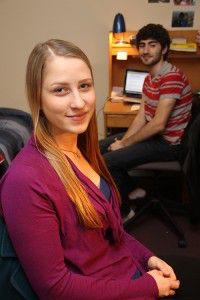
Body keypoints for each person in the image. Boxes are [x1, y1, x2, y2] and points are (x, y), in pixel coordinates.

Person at [0, 39, 180, 299]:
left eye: (84, 86)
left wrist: (147, 257)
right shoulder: (25, 181)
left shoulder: (82, 148)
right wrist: (148, 286)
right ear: (37, 97)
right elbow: (55, 289)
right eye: (60, 90)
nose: (79, 102)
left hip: (128, 274)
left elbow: (109, 234)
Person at [100, 24, 192, 221]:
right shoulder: (149, 78)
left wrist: (124, 144)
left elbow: (158, 124)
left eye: (152, 45)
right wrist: (123, 140)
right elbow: (142, 115)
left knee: (107, 161)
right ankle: (134, 190)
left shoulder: (171, 77)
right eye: (142, 45)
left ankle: (126, 211)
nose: (145, 50)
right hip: (156, 137)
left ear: (164, 48)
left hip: (170, 144)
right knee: (100, 148)